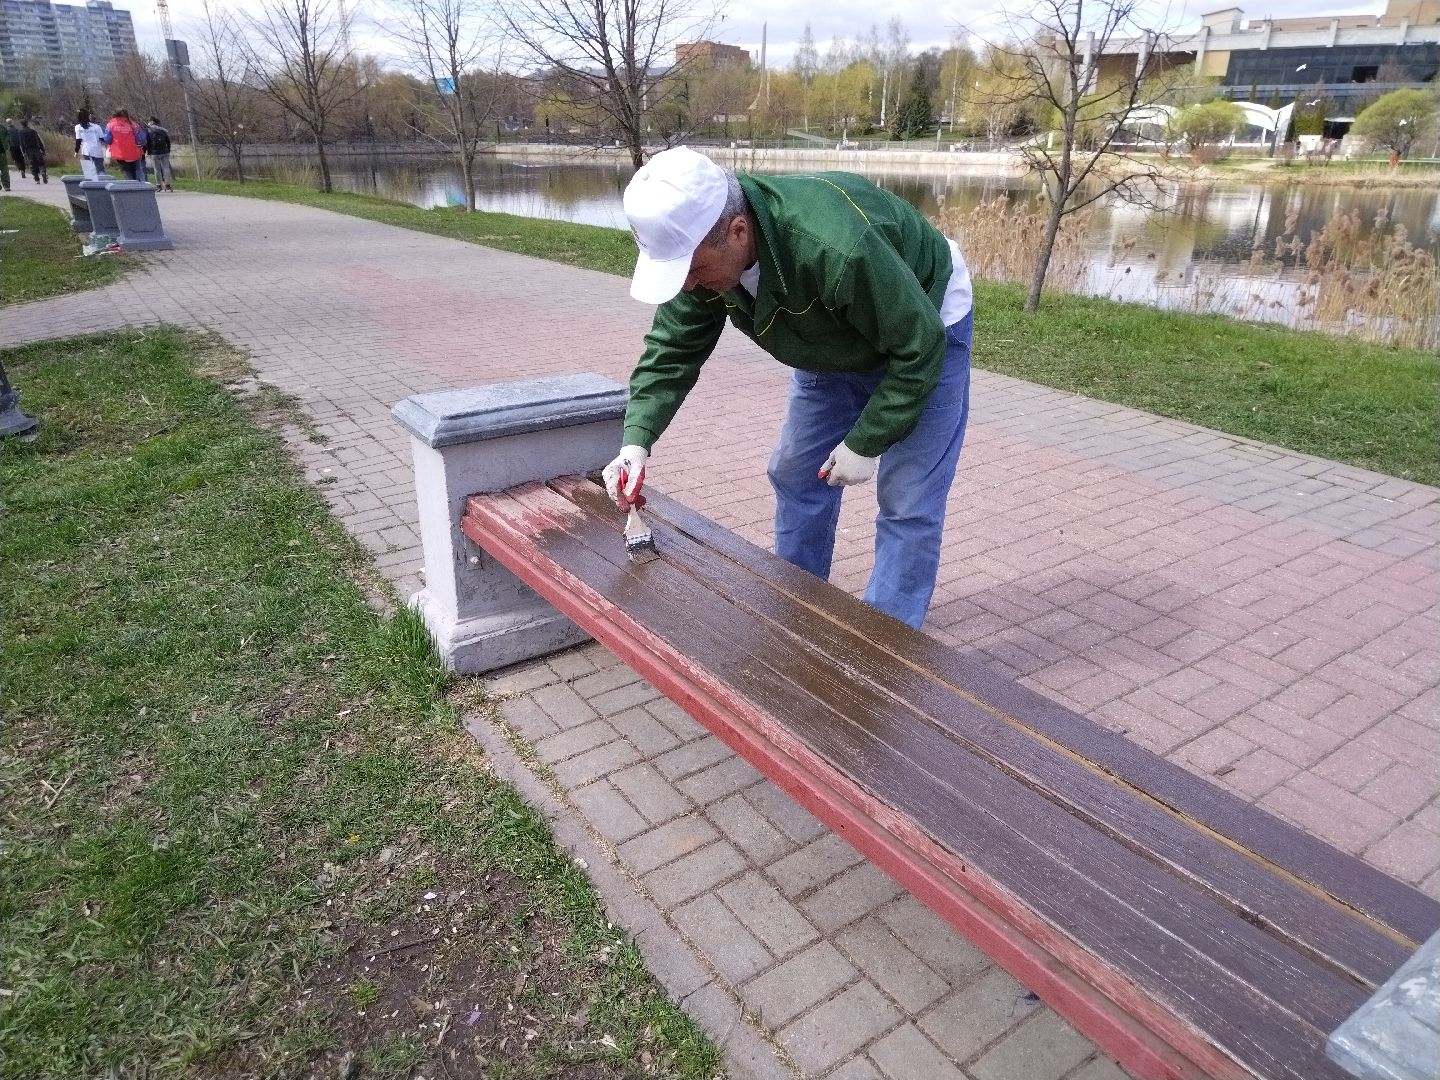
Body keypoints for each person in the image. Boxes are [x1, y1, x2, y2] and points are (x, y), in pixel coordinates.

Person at [603, 146, 974, 629]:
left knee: (907, 501)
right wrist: (635, 443)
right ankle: (799, 611)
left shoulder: (836, 246)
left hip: (925, 323)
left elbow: (918, 345)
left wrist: (866, 442)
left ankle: (886, 642)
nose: (688, 284)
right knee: (797, 473)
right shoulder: (704, 259)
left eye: (692, 270)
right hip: (832, 334)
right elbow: (672, 350)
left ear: (738, 232)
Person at [101, 109, 145, 180]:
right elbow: (142, 138)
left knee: (127, 172)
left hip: (120, 153)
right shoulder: (133, 124)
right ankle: (142, 185)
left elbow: (107, 139)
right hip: (135, 152)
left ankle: (131, 185)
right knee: (138, 171)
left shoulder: (110, 125)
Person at [74, 108, 107, 180]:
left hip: (86, 151)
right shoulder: (96, 127)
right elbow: (102, 139)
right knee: (100, 170)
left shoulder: (77, 127)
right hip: (97, 151)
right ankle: (103, 183)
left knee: (88, 172)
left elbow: (78, 140)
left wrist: (76, 152)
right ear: (88, 116)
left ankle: (89, 184)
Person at [145, 116, 173, 191]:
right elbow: (168, 141)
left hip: (154, 153)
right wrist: (168, 150)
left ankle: (158, 185)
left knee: (157, 169)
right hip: (165, 152)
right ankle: (167, 184)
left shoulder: (148, 130)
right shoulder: (162, 130)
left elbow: (147, 142)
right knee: (166, 168)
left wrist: (149, 152)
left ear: (151, 122)